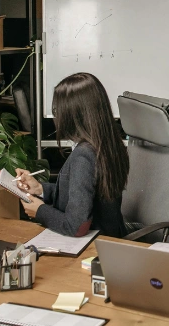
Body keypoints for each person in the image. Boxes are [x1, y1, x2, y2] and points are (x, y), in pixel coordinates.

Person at [15, 73, 129, 238]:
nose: (56, 116)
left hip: (94, 247)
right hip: (111, 237)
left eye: (57, 110)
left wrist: (39, 211)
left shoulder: (84, 156)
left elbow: (76, 226)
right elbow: (83, 194)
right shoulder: (108, 143)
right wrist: (40, 189)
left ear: (72, 114)